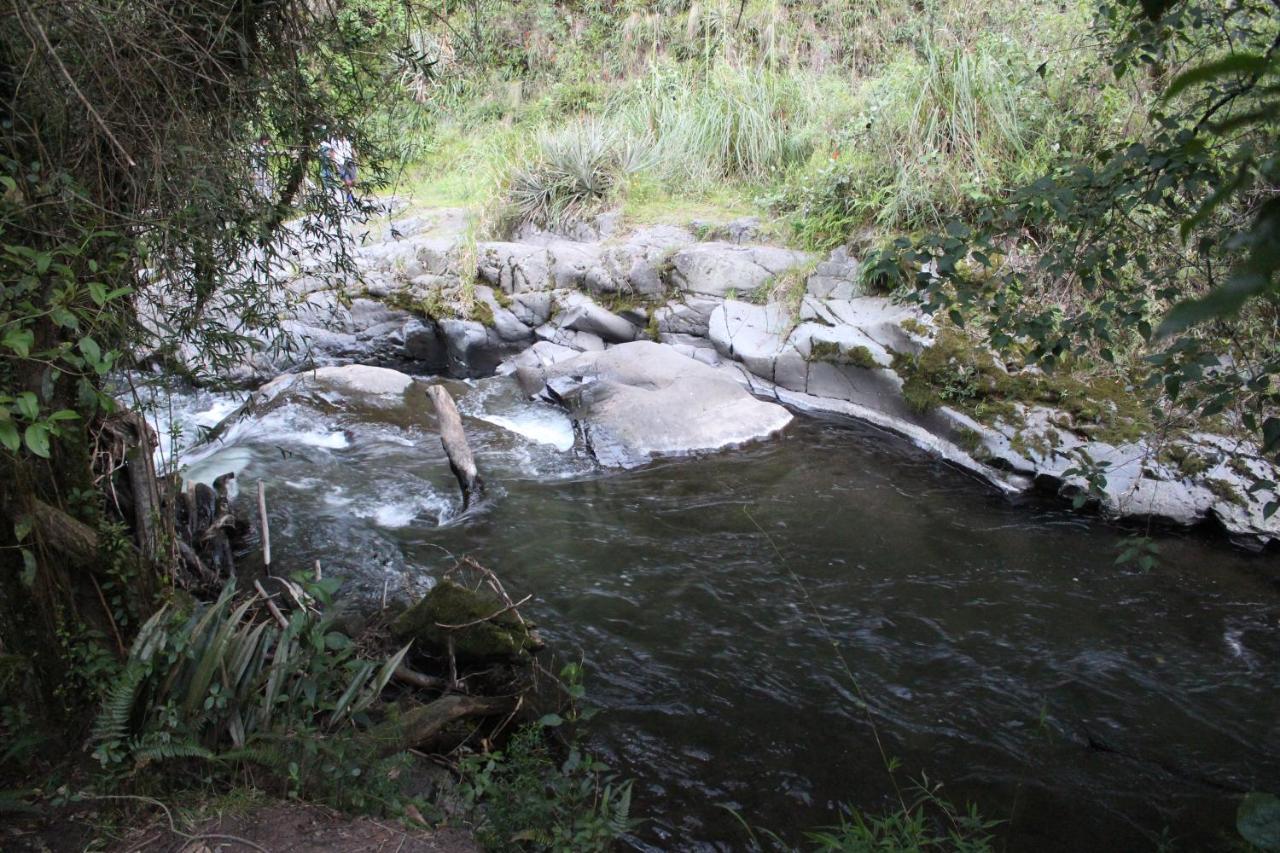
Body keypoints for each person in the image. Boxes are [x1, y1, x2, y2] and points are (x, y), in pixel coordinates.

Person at [251, 133, 272, 199]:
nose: (268, 144)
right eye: (268, 142)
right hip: (257, 172)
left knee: (267, 188)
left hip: (262, 173)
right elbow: (252, 161)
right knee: (258, 188)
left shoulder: (263, 149)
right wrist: (254, 172)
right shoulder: (254, 148)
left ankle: (266, 199)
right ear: (264, 141)